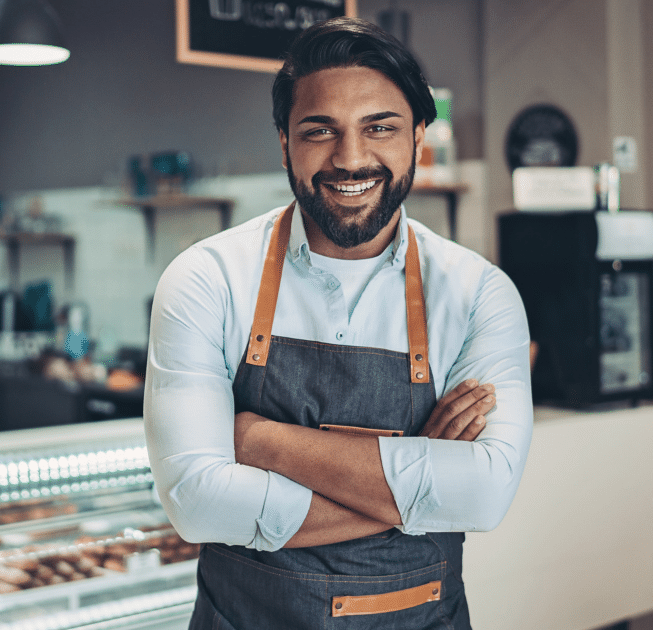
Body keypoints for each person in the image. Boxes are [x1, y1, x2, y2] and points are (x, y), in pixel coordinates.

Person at [144, 16, 533, 630]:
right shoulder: (206, 279)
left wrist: (261, 442)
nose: (351, 159)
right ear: (284, 142)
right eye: (320, 130)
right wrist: (420, 474)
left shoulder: (479, 293)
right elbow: (197, 505)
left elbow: (483, 495)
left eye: (380, 127)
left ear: (418, 139)